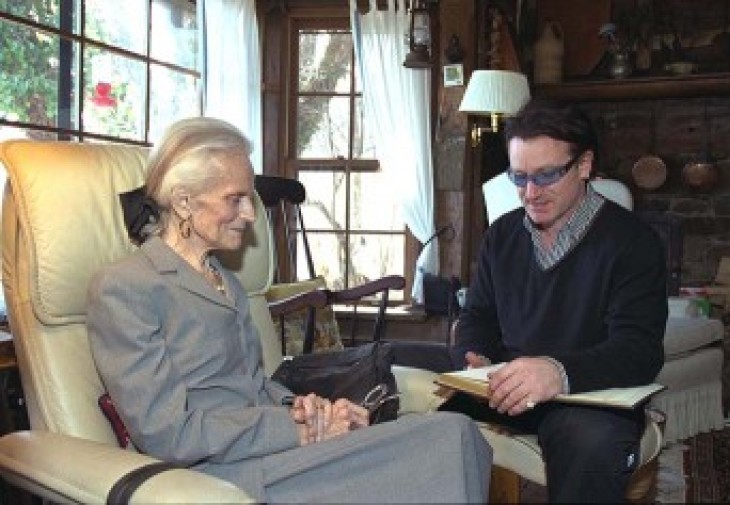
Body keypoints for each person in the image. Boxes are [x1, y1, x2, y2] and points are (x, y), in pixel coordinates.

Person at [86, 117, 492, 503]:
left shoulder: (223, 280)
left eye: (250, 197)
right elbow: (167, 432)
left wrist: (307, 408)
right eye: (236, 199)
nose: (250, 214)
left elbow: (255, 384)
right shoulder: (127, 287)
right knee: (448, 438)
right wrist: (298, 428)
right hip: (213, 473)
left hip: (268, 452)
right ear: (184, 201)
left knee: (460, 436)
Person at [446, 100, 668, 502]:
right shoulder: (502, 235)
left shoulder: (633, 242)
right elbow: (478, 315)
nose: (530, 193)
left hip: (586, 398)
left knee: (591, 443)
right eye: (519, 177)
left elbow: (639, 351)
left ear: (584, 166)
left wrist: (557, 371)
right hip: (505, 387)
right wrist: (474, 355)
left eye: (547, 175)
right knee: (392, 375)